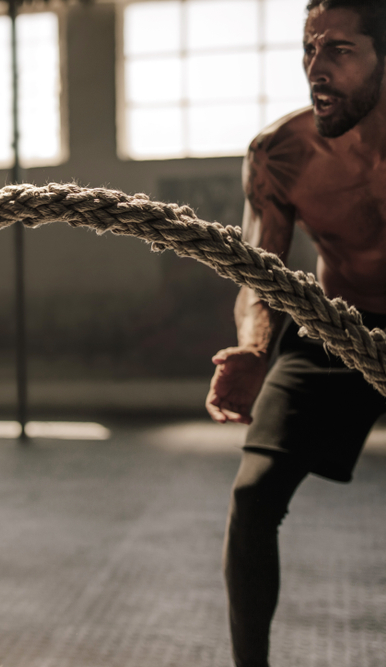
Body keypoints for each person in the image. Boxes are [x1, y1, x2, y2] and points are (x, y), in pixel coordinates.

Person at [205, 1, 386, 665]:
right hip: (336, 323)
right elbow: (260, 270)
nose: (317, 69)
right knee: (253, 496)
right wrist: (256, 346)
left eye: (339, 50)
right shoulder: (282, 154)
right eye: (310, 50)